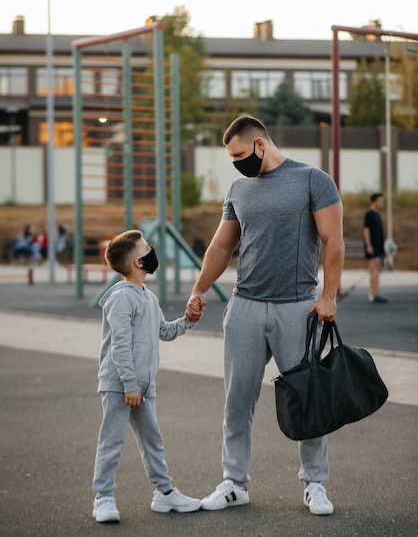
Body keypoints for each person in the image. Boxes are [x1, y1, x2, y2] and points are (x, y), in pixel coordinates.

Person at [186, 115, 344, 516]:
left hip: (297, 306)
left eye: (239, 154)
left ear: (260, 144)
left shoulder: (313, 179)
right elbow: (222, 247)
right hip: (245, 306)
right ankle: (233, 483)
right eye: (231, 157)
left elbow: (333, 240)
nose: (236, 163)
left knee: (305, 400)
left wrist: (328, 296)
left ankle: (315, 484)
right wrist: (200, 289)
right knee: (237, 400)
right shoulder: (239, 188)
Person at [92, 229, 202, 523]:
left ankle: (164, 494)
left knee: (153, 440)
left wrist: (188, 321)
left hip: (143, 385)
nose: (152, 251)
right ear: (139, 263)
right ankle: (103, 497)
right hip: (120, 386)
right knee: (112, 442)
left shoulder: (148, 298)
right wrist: (129, 385)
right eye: (147, 249)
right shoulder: (120, 299)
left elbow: (163, 332)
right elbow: (120, 346)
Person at [363, 192, 388, 303]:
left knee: (378, 269)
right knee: (374, 269)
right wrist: (369, 245)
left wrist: (383, 249)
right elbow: (366, 230)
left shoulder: (377, 214)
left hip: (378, 246)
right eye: (379, 201)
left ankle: (376, 292)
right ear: (373, 201)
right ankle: (374, 294)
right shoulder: (369, 214)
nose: (381, 203)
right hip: (372, 246)